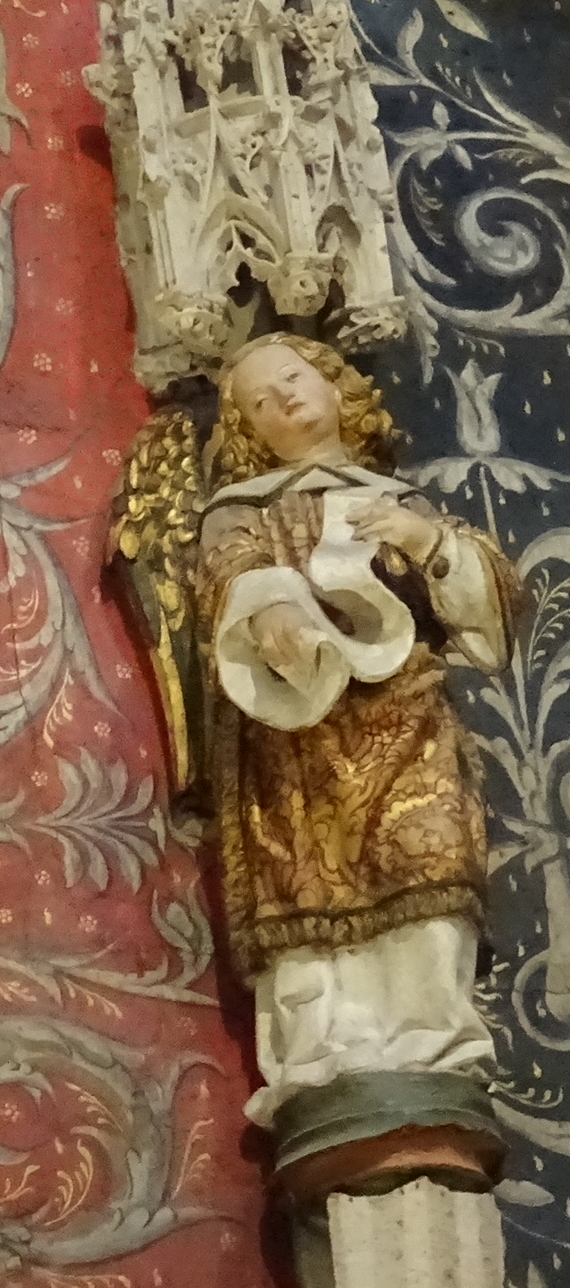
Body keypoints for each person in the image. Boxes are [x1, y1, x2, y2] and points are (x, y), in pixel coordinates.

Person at [193, 332, 518, 1183]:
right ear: (248, 430)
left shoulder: (397, 497)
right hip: (299, 734)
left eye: (294, 379)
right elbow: (229, 571)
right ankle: (326, 1057)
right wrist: (272, 613)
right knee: (310, 878)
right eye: (259, 401)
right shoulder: (241, 507)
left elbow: (489, 610)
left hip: (409, 718)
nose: (284, 400)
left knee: (426, 856)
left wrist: (427, 539)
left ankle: (434, 1045)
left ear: (337, 384)